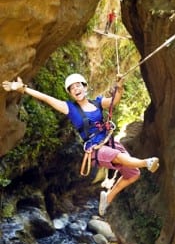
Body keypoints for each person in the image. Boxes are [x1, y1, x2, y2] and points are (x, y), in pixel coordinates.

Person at [2, 74, 159, 216]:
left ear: (85, 87)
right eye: (72, 88)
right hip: (95, 149)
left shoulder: (97, 102)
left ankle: (108, 196)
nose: (76, 88)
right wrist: (23, 89)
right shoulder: (70, 109)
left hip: (110, 142)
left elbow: (114, 101)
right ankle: (147, 162)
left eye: (78, 85)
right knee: (119, 157)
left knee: (134, 174)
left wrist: (119, 86)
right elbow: (46, 98)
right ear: (70, 94)